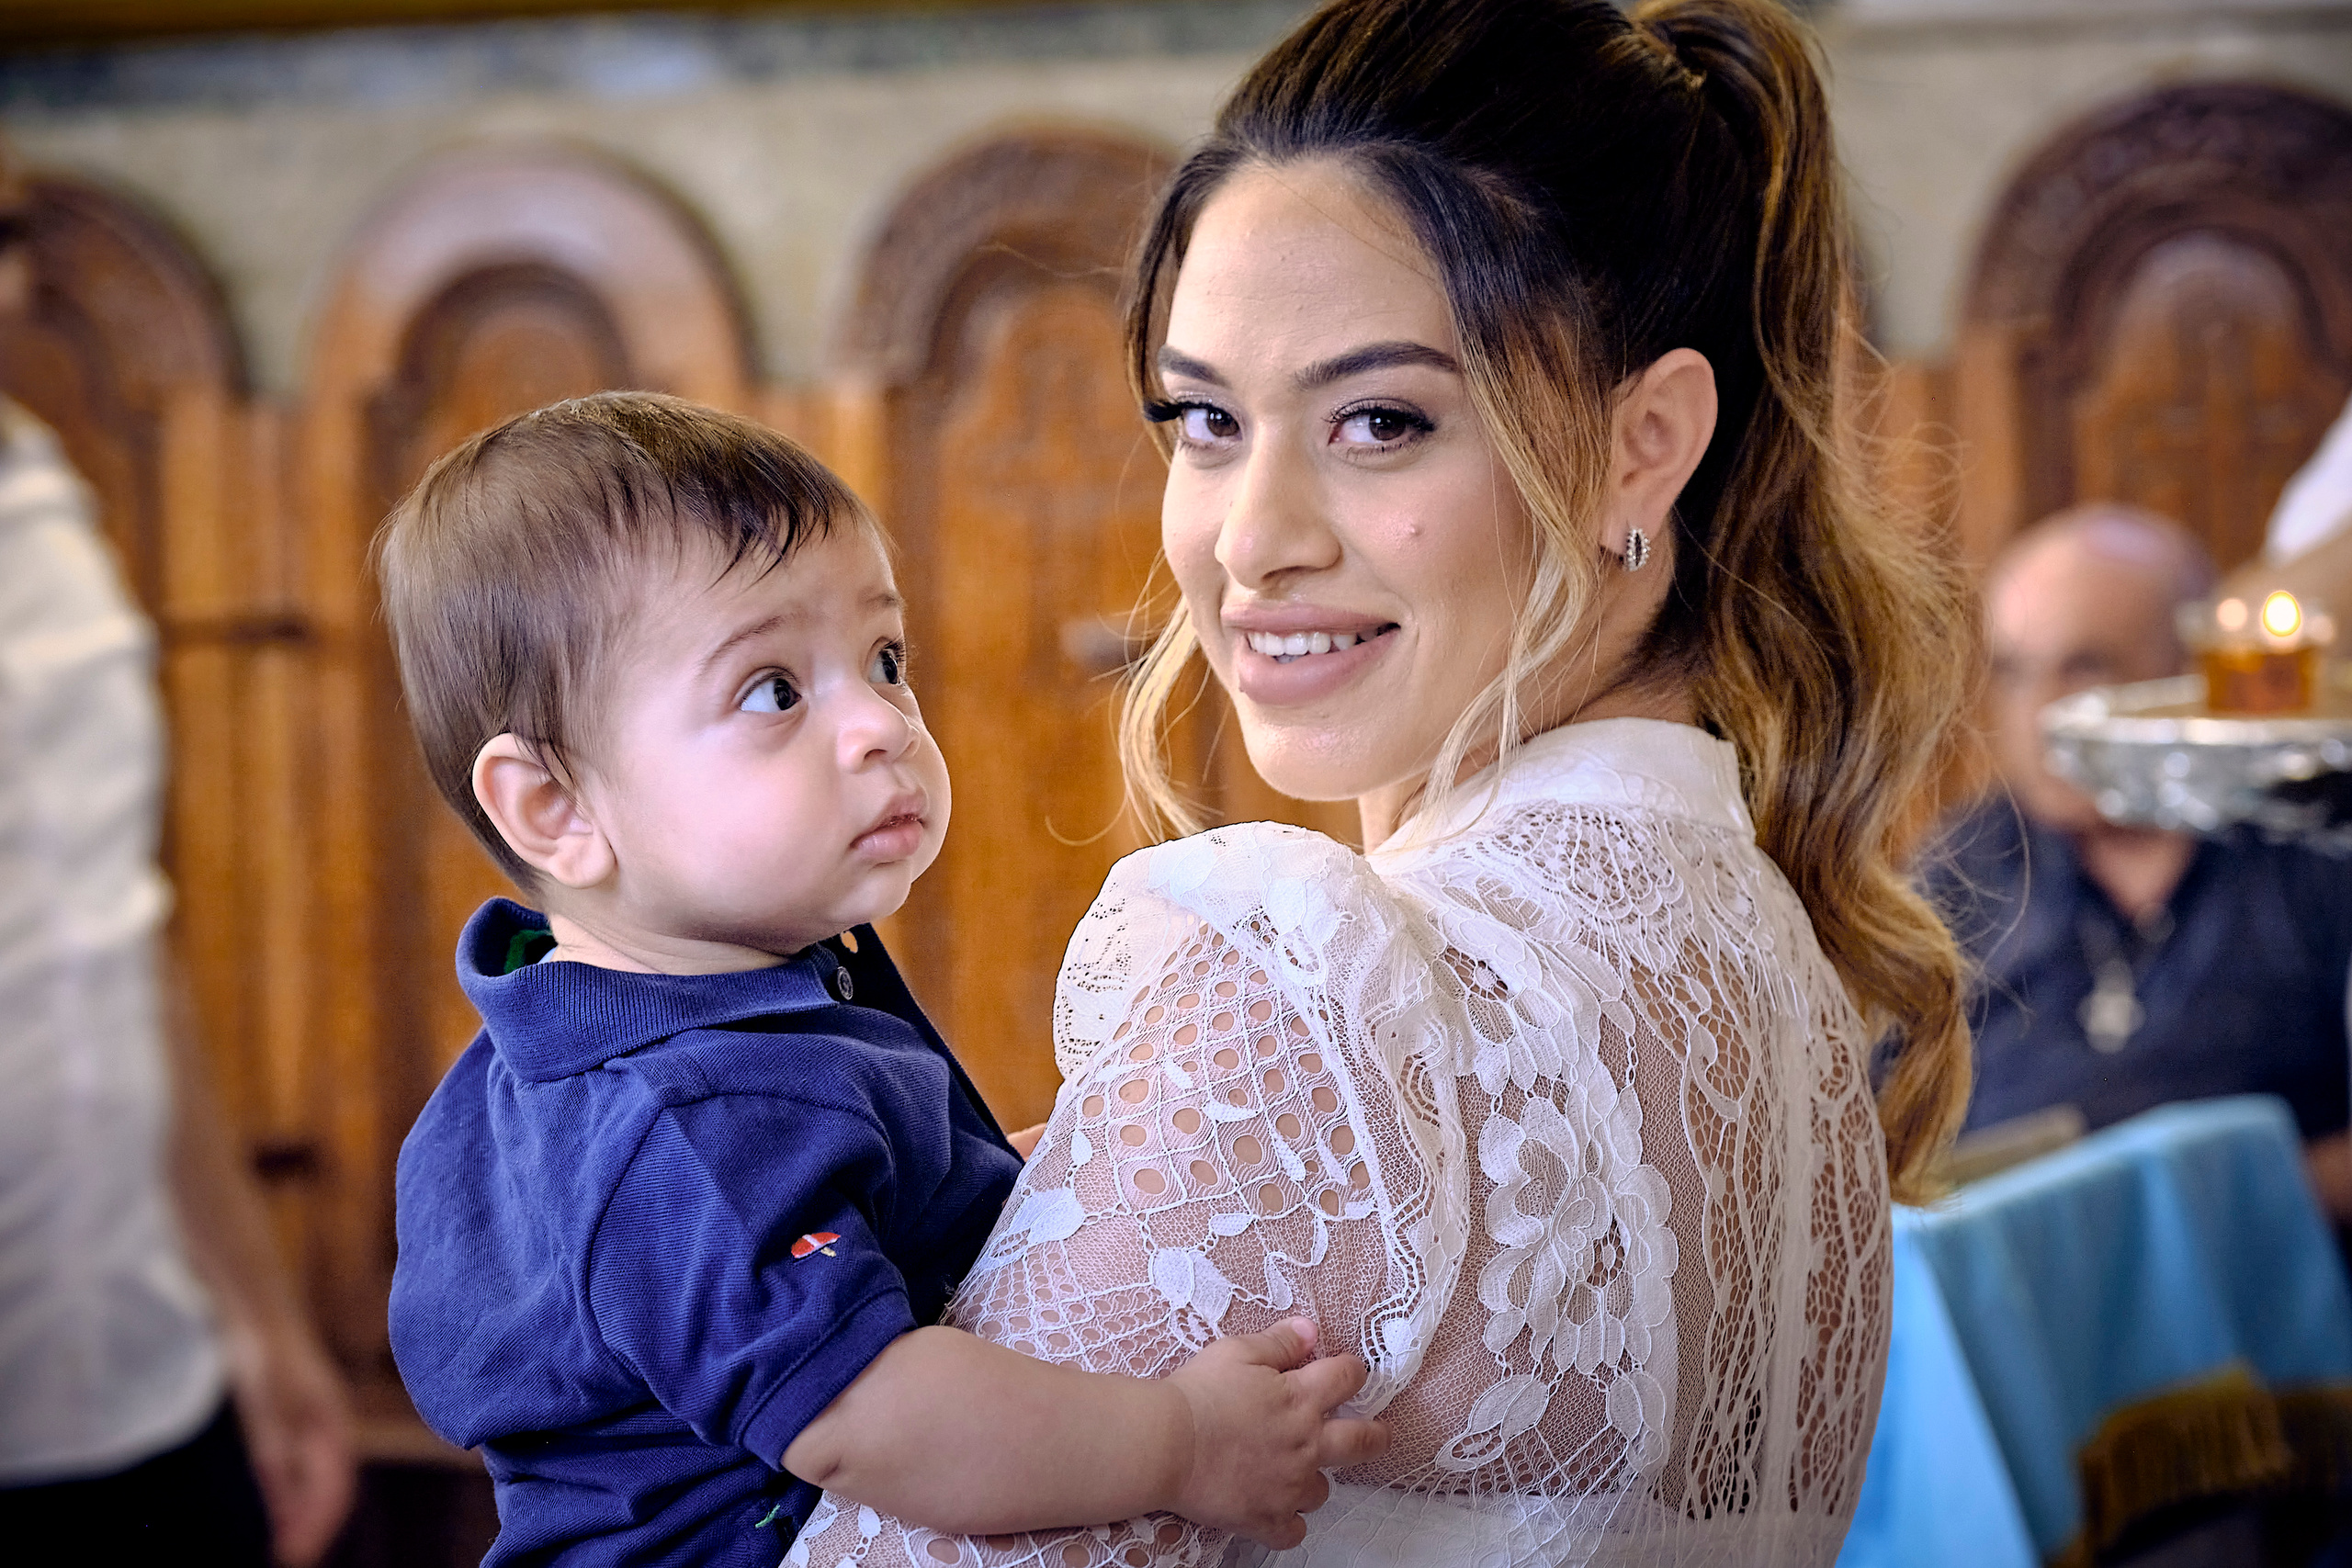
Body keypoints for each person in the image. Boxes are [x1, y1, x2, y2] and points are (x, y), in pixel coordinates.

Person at [786, 0, 1975, 1562]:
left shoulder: (1330, 994)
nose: (1250, 536)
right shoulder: (1780, 982)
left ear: (1646, 441)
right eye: (1206, 421)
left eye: (1379, 421)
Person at [379, 392, 1386, 1565]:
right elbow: (872, 1415)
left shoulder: (693, 1001)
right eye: (775, 691)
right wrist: (1178, 1443)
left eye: (884, 658)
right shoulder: (684, 1120)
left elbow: (868, 1223)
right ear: (557, 808)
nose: (880, 723)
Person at [0, 157, 354, 1562]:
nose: (13, 291)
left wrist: (255, 1309)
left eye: (9, 236)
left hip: (132, 1362)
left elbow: (108, 931)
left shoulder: (34, 480)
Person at [1929, 503, 2352, 1216]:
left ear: (2185, 672)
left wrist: (2181, 1215)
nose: (2043, 714)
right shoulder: (1959, 872)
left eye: (2085, 666)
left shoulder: (2308, 844)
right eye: (2014, 671)